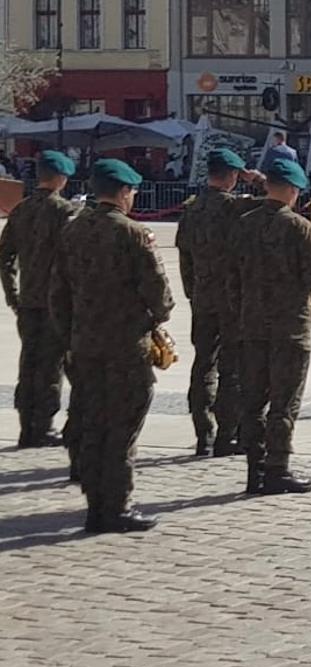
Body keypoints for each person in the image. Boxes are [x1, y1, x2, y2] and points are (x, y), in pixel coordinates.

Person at [47, 159, 172, 532]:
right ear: (122, 193)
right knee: (122, 426)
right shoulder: (133, 234)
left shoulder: (72, 230)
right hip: (125, 346)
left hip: (84, 345)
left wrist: (70, 334)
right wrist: (156, 319)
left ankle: (94, 505)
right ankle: (116, 507)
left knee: (91, 422)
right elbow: (160, 296)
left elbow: (58, 293)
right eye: (131, 192)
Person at [233, 159, 311, 496]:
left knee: (253, 399)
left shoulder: (244, 224)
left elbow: (233, 275)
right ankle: (277, 468)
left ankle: (254, 470)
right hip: (289, 326)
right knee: (284, 401)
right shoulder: (298, 226)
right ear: (290, 190)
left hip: (251, 323)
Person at [174, 149, 266, 457]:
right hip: (232, 300)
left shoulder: (192, 208)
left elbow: (184, 256)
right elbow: (281, 198)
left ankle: (204, 433)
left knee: (203, 364)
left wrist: (192, 291)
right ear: (232, 175)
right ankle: (227, 435)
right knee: (233, 367)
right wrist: (258, 180)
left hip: (202, 297)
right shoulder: (236, 207)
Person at [1, 151, 80, 450]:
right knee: (52, 366)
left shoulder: (21, 210)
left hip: (28, 301)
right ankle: (44, 427)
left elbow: (5, 256)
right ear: (60, 178)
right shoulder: (65, 211)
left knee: (29, 363)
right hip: (56, 303)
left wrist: (12, 294)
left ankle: (26, 426)